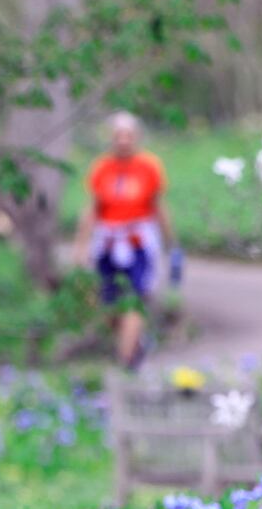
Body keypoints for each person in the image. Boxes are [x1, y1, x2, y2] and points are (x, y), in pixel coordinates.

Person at [71, 112, 182, 370]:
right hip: (108, 240)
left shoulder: (148, 167)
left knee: (135, 297)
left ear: (137, 138)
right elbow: (92, 209)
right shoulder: (102, 168)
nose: (123, 141)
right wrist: (81, 245)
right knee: (108, 303)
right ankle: (133, 343)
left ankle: (125, 361)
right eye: (117, 136)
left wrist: (171, 242)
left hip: (138, 241)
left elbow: (158, 206)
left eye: (128, 136)